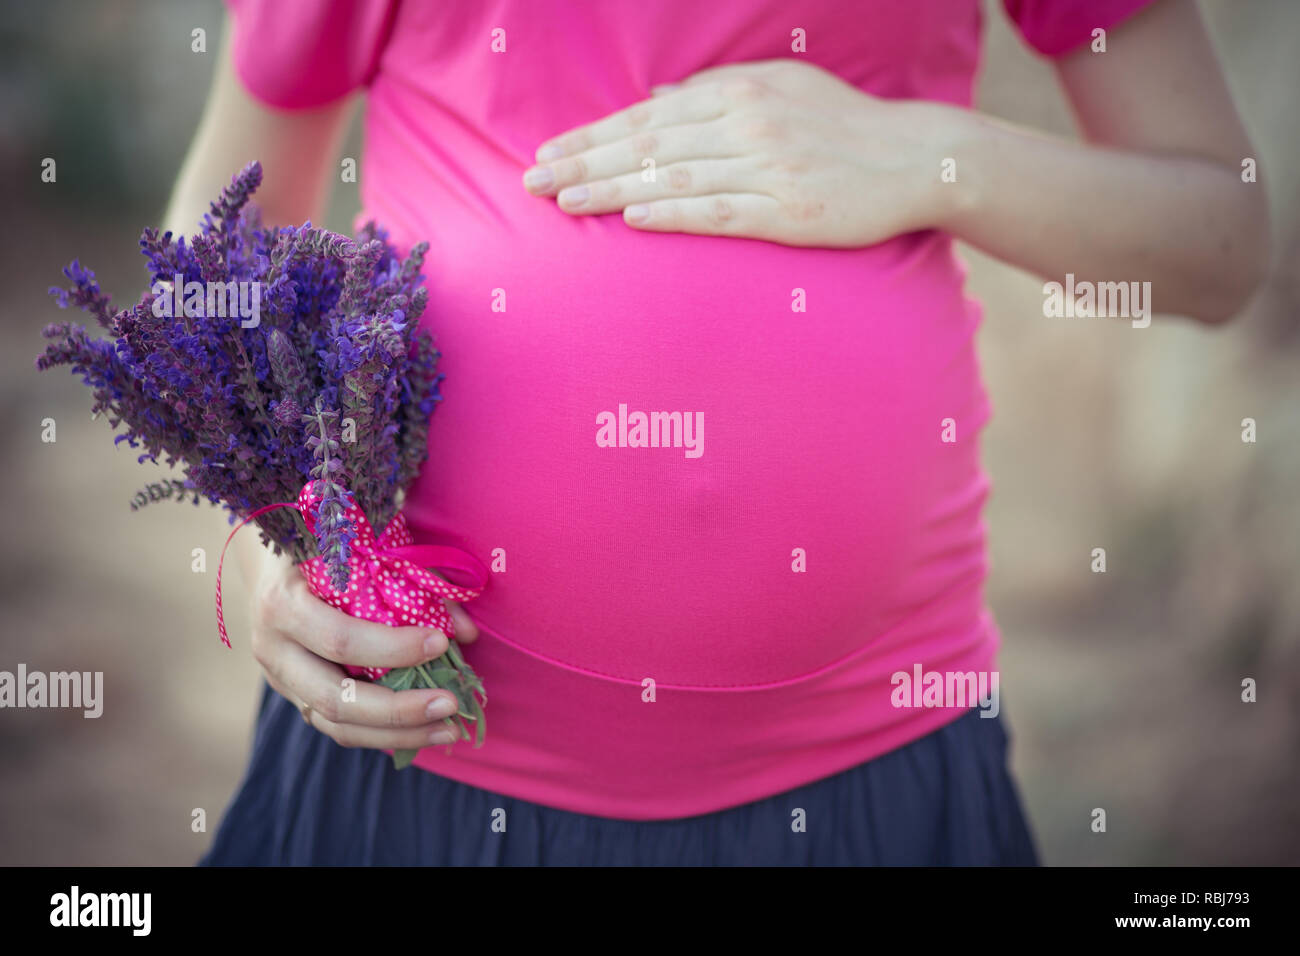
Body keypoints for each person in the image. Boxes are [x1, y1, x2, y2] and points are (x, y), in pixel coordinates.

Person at [174, 0, 1267, 865]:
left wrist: (934, 154)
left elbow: (1218, 240)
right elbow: (209, 261)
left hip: (869, 773)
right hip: (425, 776)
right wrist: (281, 526)